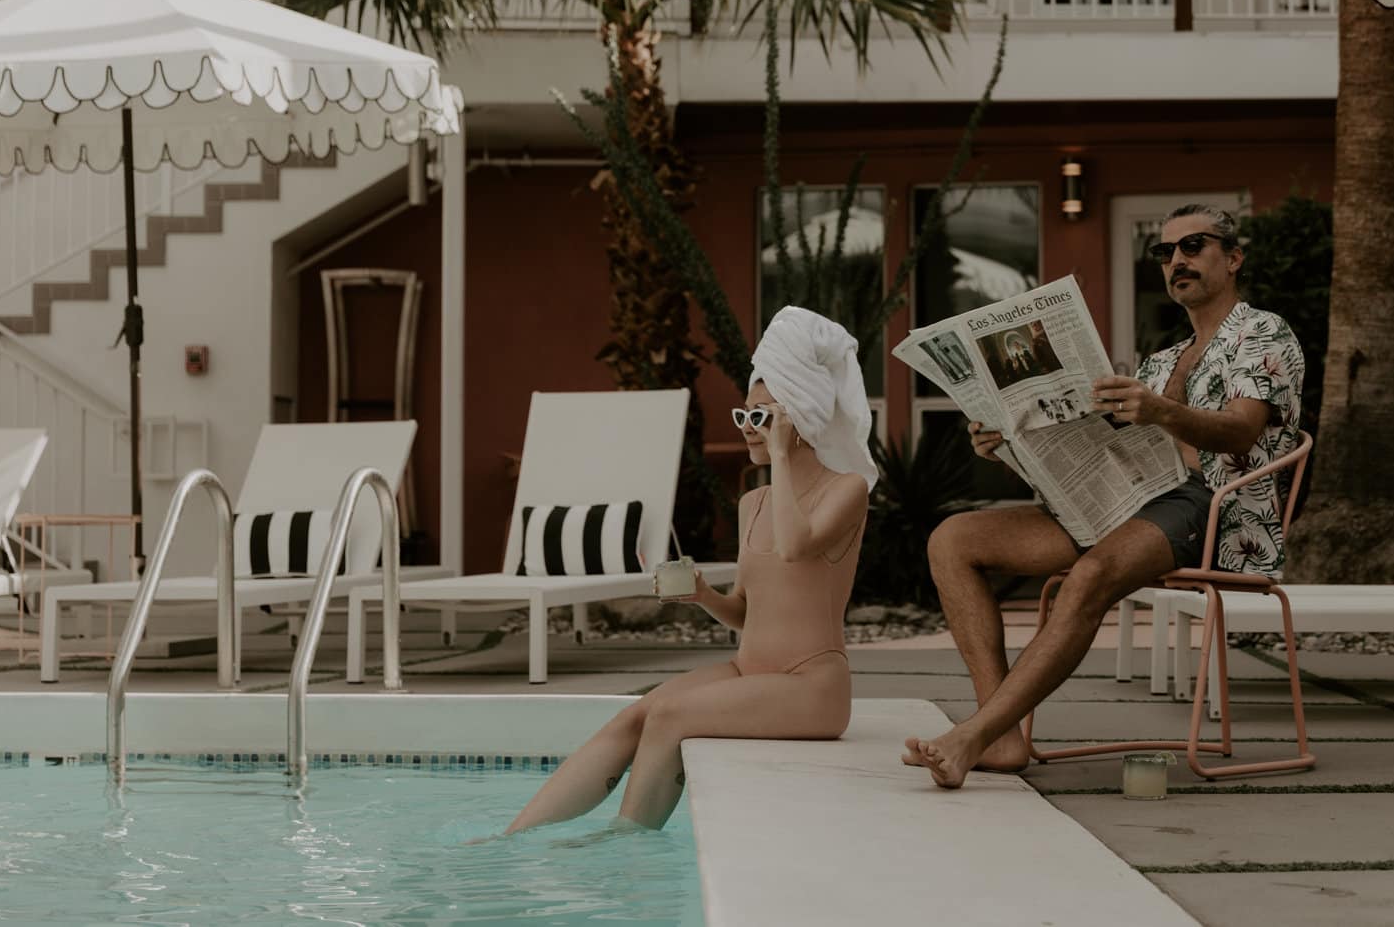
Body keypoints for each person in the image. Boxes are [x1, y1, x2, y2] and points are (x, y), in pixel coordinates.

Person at [906, 203, 1304, 788]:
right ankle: (1003, 737)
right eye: (1165, 253)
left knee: (1088, 577)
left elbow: (1242, 429)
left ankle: (971, 735)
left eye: (1193, 247)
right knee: (953, 540)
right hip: (1126, 503)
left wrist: (1160, 409)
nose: (1177, 261)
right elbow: (1101, 454)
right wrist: (1006, 442)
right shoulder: (1163, 359)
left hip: (1215, 509)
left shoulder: (1262, 332)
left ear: (1234, 257)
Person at [504, 307, 874, 834]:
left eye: (761, 417)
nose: (748, 429)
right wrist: (703, 595)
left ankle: (624, 846)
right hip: (750, 672)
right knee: (638, 712)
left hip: (812, 687)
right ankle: (512, 838)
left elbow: (795, 547)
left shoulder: (848, 490)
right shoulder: (755, 502)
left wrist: (784, 455)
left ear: (801, 416)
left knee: (671, 718)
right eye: (743, 415)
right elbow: (747, 613)